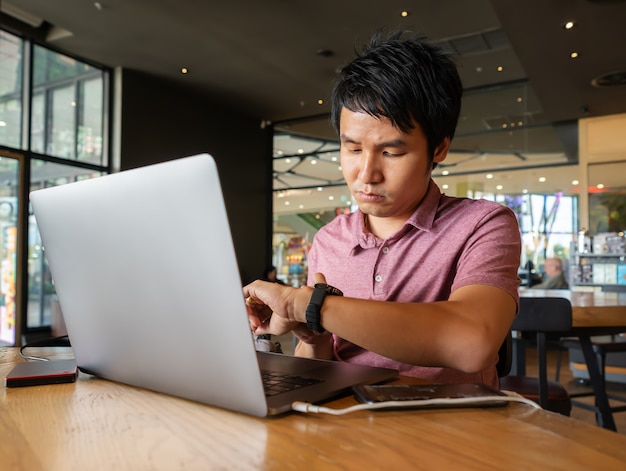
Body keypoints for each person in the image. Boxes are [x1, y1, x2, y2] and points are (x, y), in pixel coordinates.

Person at [244, 30, 521, 388]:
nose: (366, 173)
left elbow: (473, 342)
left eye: (391, 152)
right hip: (345, 422)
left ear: (438, 148)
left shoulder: (482, 224)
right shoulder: (329, 240)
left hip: (448, 427)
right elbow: (318, 362)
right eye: (353, 149)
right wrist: (315, 337)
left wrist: (308, 306)